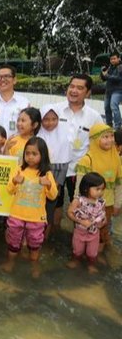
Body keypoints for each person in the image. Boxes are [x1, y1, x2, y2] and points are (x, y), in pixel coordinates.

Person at [50, 74, 103, 229]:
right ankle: (54, 233)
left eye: (80, 88)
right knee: (55, 204)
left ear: (87, 93)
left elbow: (100, 143)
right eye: (72, 86)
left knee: (81, 206)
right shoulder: (55, 110)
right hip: (56, 166)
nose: (74, 90)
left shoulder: (94, 117)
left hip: (79, 170)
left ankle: (77, 239)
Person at [2, 137, 58, 277]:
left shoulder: (47, 174)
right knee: (13, 242)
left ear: (42, 156)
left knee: (35, 243)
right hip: (17, 215)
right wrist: (14, 181)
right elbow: (9, 190)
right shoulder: (18, 170)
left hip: (36, 218)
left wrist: (49, 185)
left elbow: (53, 196)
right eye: (27, 153)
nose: (30, 157)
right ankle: (10, 262)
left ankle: (34, 264)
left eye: (34, 154)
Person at [75, 123, 122, 258]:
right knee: (82, 231)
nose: (110, 140)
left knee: (102, 232)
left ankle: (96, 257)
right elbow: (79, 184)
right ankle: (80, 256)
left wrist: (118, 204)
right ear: (95, 139)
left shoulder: (116, 158)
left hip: (107, 205)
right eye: (105, 137)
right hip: (86, 205)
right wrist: (76, 202)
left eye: (111, 136)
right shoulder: (87, 159)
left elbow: (119, 184)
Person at [37, 105, 70, 236]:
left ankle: (45, 238)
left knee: (49, 210)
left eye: (53, 119)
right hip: (39, 175)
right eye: (46, 119)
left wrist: (58, 183)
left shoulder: (63, 136)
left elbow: (65, 162)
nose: (50, 123)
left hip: (55, 176)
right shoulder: (38, 135)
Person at [67, 172, 107, 274]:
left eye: (102, 189)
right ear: (86, 188)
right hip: (80, 231)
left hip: (94, 232)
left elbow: (103, 215)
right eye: (97, 189)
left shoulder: (101, 202)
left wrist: (103, 222)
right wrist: (81, 221)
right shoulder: (78, 200)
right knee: (77, 250)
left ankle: (91, 265)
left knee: (92, 252)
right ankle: (76, 260)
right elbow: (70, 213)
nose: (100, 192)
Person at [101, 51, 122, 130]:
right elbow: (104, 78)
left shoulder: (120, 67)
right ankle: (109, 125)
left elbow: (118, 78)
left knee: (113, 106)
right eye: (111, 59)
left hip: (118, 90)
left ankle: (117, 126)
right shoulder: (110, 67)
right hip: (108, 90)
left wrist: (107, 75)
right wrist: (102, 72)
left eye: (114, 58)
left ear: (118, 58)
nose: (112, 60)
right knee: (107, 108)